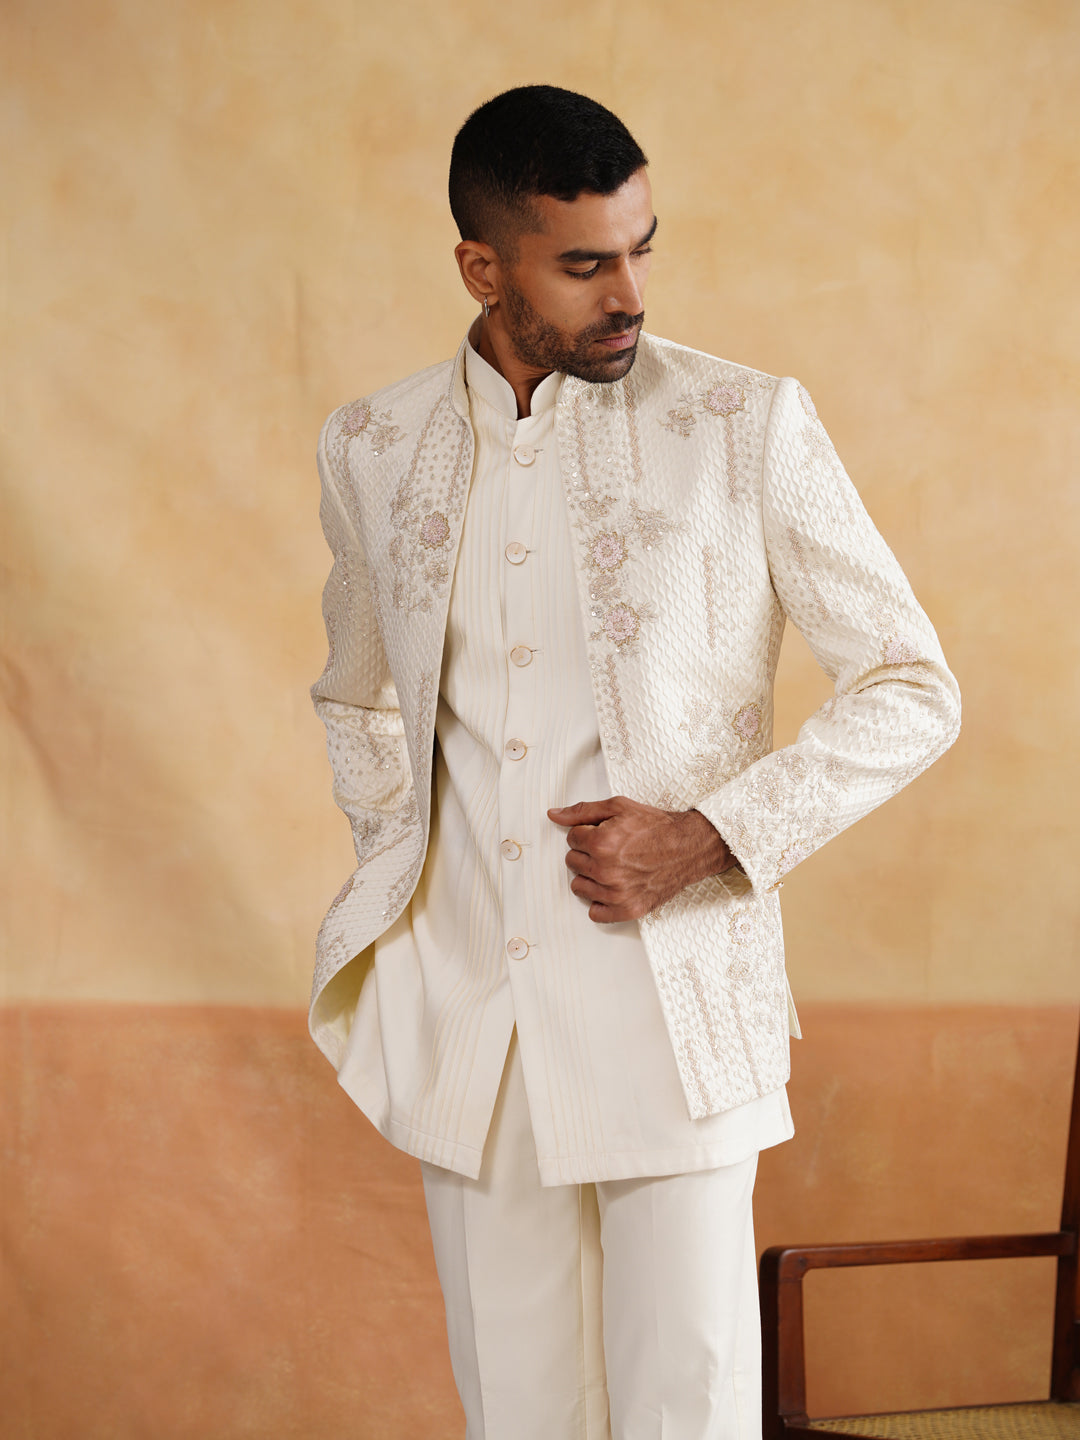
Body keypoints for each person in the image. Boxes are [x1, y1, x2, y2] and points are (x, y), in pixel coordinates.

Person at [309, 85, 960, 1440]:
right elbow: (358, 696)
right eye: (585, 264)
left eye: (643, 249)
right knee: (518, 1414)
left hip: (677, 1006)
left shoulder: (742, 424)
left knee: (689, 1409)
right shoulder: (373, 447)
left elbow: (911, 687)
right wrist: (409, 878)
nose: (630, 296)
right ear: (483, 268)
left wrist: (707, 837)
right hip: (471, 1022)